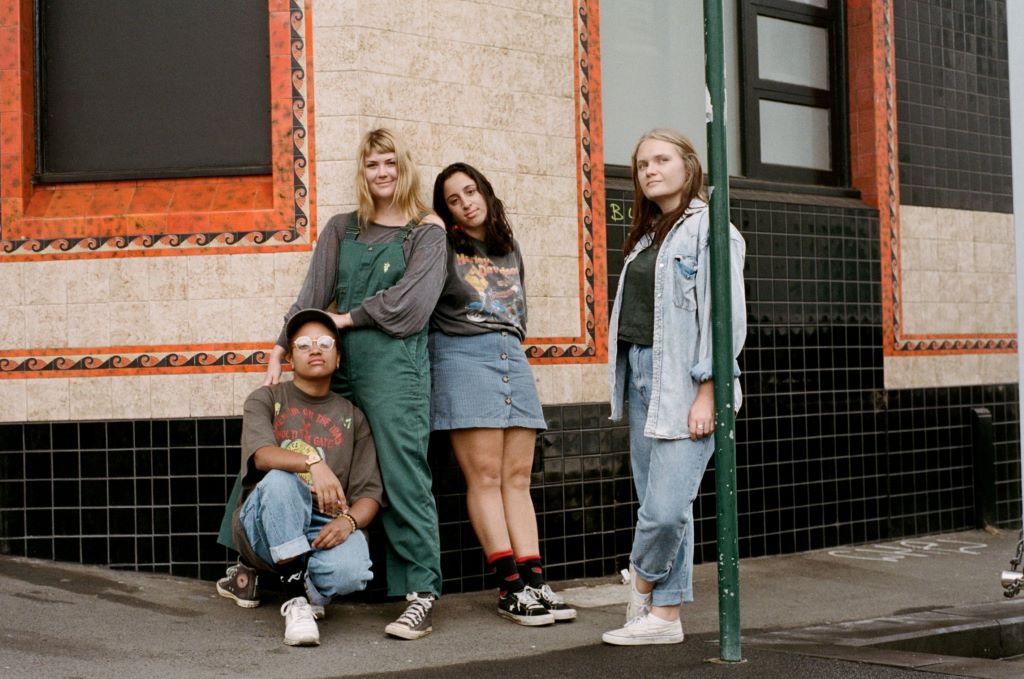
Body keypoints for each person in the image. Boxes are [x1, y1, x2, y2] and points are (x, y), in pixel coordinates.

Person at [263, 129, 447, 640]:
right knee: (306, 451)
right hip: (337, 368)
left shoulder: (426, 232)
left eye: (390, 162)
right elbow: (311, 296)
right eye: (372, 164)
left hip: (395, 372)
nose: (382, 172)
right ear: (362, 173)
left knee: (402, 475)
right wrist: (281, 346)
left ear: (404, 168)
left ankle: (420, 593)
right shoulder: (342, 228)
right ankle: (286, 574)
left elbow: (412, 307)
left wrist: (343, 319)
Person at [601, 129, 746, 646]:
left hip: (688, 386)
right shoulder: (648, 235)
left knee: (664, 511)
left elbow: (725, 318)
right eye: (642, 165)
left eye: (661, 160)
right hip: (644, 380)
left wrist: (710, 389)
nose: (650, 171)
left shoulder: (712, 230)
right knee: (662, 506)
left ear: (689, 166)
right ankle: (665, 618)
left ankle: (640, 584)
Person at [430, 163, 576, 626]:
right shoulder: (441, 245)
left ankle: (534, 581)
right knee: (486, 477)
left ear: (486, 193)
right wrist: (431, 224)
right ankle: (510, 586)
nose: (466, 203)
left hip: (512, 354)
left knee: (517, 478)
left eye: (471, 191)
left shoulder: (508, 247)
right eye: (453, 200)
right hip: (463, 355)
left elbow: (518, 307)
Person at [217, 308, 382, 647]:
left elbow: (369, 494)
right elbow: (262, 456)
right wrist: (312, 464)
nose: (315, 349)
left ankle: (304, 585)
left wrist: (349, 522)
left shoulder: (353, 417)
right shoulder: (266, 398)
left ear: (338, 357)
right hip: (264, 521)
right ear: (290, 359)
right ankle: (296, 600)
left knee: (354, 570)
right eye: (304, 344)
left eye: (325, 343)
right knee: (281, 480)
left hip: (323, 525)